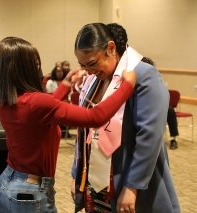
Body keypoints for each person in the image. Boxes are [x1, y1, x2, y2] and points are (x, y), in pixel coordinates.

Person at [0, 36, 137, 213]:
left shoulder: (6, 101)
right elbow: (95, 117)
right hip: (30, 193)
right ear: (24, 69)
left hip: (6, 185)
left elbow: (39, 112)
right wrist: (127, 85)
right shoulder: (37, 103)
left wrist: (65, 86)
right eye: (34, 64)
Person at [71, 23, 180, 213]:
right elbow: (84, 131)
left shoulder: (145, 76)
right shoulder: (96, 79)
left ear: (111, 48)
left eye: (92, 63)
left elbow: (149, 137)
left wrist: (132, 187)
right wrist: (77, 174)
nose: (88, 71)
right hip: (98, 182)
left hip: (129, 180)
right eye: (82, 65)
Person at [141, 57, 179, 150]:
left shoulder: (158, 80)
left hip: (157, 106)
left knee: (170, 110)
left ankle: (173, 139)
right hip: (144, 107)